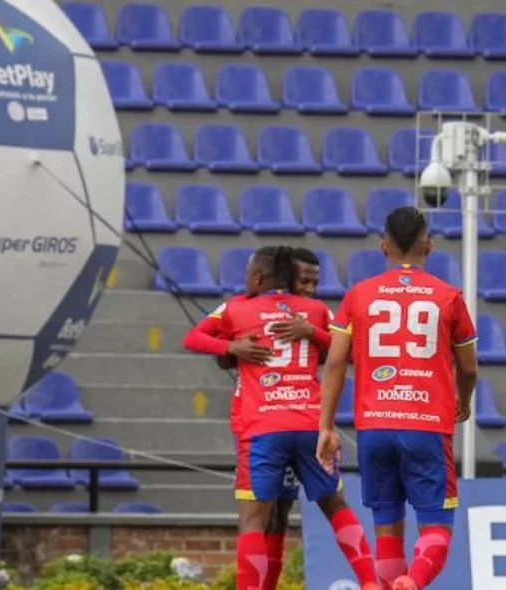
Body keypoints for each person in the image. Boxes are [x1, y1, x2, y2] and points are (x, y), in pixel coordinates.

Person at [183, 247, 377, 590]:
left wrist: (230, 347)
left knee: (257, 519)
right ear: (290, 277)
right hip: (308, 425)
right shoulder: (317, 311)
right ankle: (370, 582)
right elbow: (350, 349)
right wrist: (310, 333)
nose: (311, 289)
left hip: (261, 427)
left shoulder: (237, 308)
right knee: (325, 506)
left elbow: (193, 338)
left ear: (258, 277)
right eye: (306, 281)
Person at [318, 206, 479, 590]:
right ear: (429, 246)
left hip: (374, 428)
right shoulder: (449, 297)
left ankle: (395, 582)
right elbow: (469, 368)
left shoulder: (358, 295)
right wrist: (465, 399)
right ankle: (413, 582)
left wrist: (326, 427)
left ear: (383, 246)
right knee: (437, 528)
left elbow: (335, 362)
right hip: (426, 426)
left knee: (387, 531)